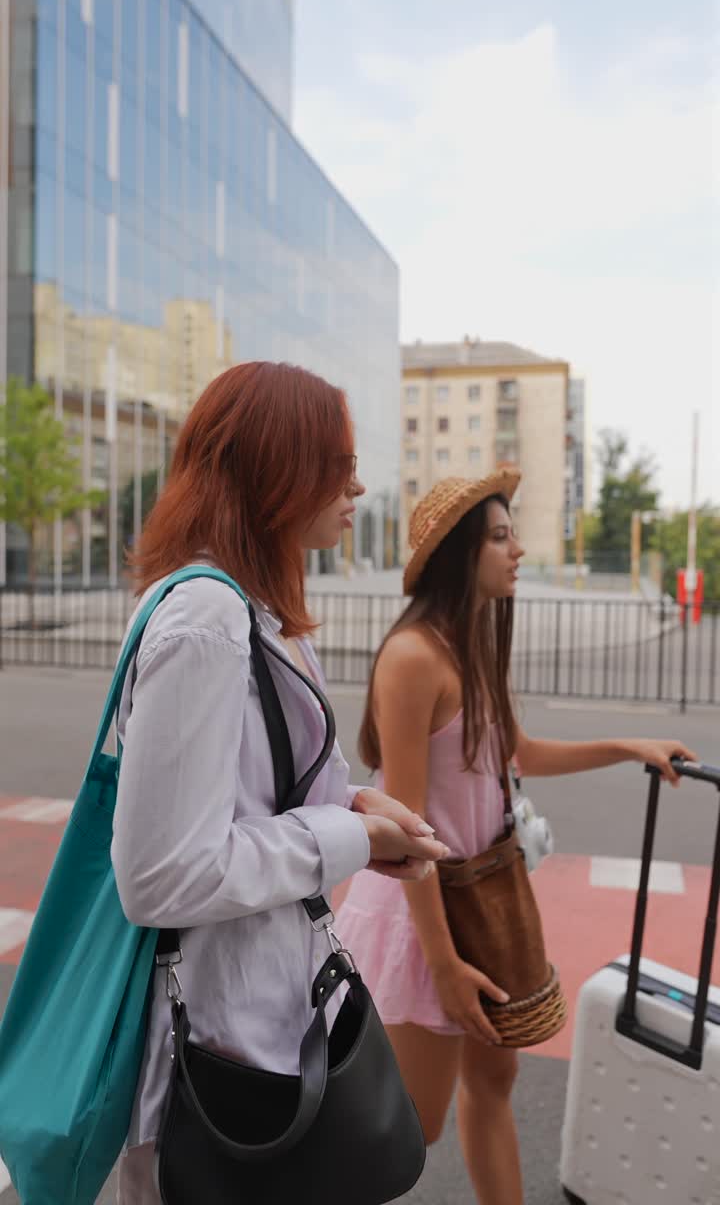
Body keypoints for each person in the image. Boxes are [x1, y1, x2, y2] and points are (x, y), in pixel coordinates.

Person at [110, 361, 450, 1203]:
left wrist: (357, 813)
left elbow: (252, 797)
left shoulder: (251, 611)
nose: (358, 486)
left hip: (257, 1030)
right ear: (275, 466)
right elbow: (161, 875)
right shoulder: (206, 619)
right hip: (219, 1049)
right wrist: (351, 836)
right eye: (337, 463)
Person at [336, 467, 697, 1205]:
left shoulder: (472, 650)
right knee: (409, 1129)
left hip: (480, 903)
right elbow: (402, 826)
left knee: (493, 1080)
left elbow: (518, 755)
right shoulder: (412, 658)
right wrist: (442, 966)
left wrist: (634, 747)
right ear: (459, 553)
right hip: (424, 915)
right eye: (500, 537)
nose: (518, 550)